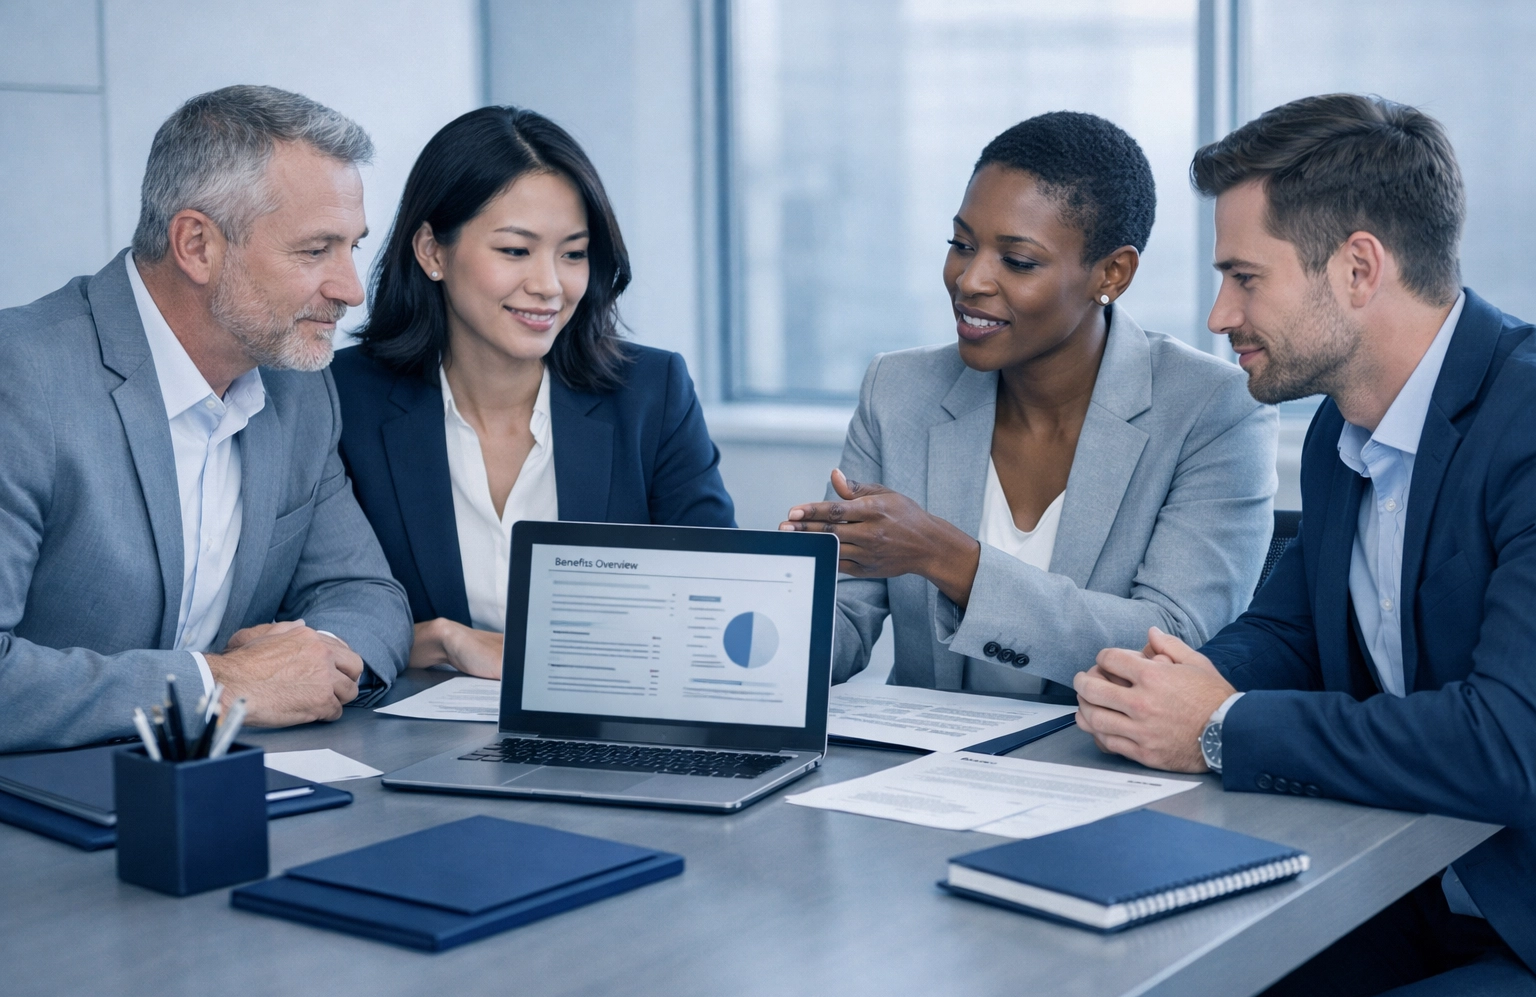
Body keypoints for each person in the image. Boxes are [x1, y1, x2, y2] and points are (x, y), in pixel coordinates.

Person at [1073, 94, 1536, 997]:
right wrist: (1166, 687)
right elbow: (1289, 633)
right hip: (1400, 890)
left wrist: (1219, 726)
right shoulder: (1340, 433)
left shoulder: (1524, 423)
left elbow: (1509, 744)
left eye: (1245, 278)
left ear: (1359, 267)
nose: (1217, 315)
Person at [780, 112, 1277, 694]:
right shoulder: (898, 390)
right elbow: (844, 623)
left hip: (1104, 770)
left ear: (1112, 273)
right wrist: (784, 598)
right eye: (961, 244)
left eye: (1017, 261)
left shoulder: (1213, 410)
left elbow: (1169, 642)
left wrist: (945, 556)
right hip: (917, 771)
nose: (970, 280)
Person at [0, 85, 413, 753]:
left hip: (235, 787)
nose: (350, 290)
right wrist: (215, 687)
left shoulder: (299, 391)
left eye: (351, 248)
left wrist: (314, 661)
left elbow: (364, 594)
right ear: (196, 244)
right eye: (315, 252)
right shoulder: (18, 378)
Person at [333, 106, 734, 680]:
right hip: (402, 744)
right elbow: (310, 620)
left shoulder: (652, 393)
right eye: (516, 251)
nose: (549, 285)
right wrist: (442, 643)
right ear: (432, 252)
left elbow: (712, 602)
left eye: (573, 254)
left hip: (604, 733)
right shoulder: (343, 401)